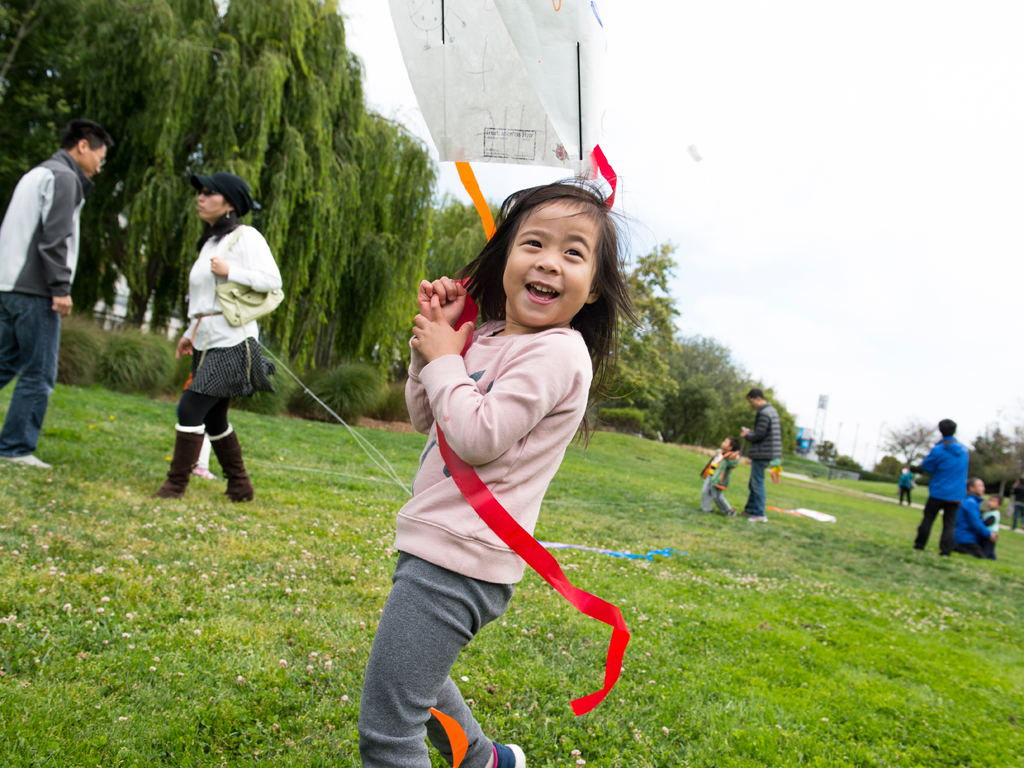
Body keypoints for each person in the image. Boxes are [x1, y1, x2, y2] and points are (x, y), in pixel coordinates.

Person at [358, 181, 634, 768]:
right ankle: (486, 760)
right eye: (533, 242)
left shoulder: (558, 353)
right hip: (439, 543)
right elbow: (424, 416)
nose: (549, 262)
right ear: (506, 257)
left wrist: (444, 359)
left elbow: (478, 437)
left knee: (389, 730)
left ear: (592, 290)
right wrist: (431, 347)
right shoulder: (485, 338)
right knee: (418, 682)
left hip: (462, 558)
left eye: (574, 252)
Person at [152, 172, 281, 501]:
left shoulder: (246, 236)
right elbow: (203, 300)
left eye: (208, 192)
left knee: (190, 408)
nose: (200, 197)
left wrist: (230, 272)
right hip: (204, 339)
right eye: (200, 192)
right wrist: (187, 333)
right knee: (214, 416)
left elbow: (272, 281)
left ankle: (175, 486)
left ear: (229, 204)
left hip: (233, 341)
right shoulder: (210, 241)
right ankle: (240, 486)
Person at [0, 119, 113, 469]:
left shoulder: (37, 173)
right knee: (40, 371)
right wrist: (60, 288)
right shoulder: (64, 178)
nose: (99, 165)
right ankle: (15, 447)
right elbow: (54, 239)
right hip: (35, 290)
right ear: (83, 145)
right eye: (100, 157)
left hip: (7, 284)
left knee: (4, 363)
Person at [913, 419, 969, 556]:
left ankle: (919, 545)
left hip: (938, 491)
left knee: (928, 519)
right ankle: (946, 551)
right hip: (956, 494)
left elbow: (927, 467)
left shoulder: (938, 449)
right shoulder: (964, 451)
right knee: (949, 524)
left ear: (940, 430)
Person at [739, 388, 782, 522]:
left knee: (757, 483)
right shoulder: (771, 411)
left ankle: (759, 514)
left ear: (758, 399)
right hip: (769, 452)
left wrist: (747, 435)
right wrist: (752, 432)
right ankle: (751, 509)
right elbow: (764, 432)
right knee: (754, 482)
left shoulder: (763, 413)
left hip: (763, 452)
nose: (751, 405)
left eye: (751, 402)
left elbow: (759, 435)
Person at [953, 478, 997, 559]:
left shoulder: (970, 500)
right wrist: (989, 534)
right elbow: (976, 524)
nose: (983, 488)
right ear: (971, 488)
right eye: (980, 486)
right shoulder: (970, 502)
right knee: (981, 556)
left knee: (992, 539)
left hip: (966, 536)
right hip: (964, 538)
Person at [700, 437, 741, 515]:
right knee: (705, 492)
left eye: (725, 442)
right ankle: (707, 509)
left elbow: (734, 464)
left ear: (730, 447)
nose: (722, 443)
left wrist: (733, 457)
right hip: (710, 476)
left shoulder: (730, 458)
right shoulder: (720, 453)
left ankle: (729, 510)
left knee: (717, 496)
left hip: (718, 479)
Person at [980, 494, 1001, 560]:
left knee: (987, 548)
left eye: (994, 501)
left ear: (999, 505)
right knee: (989, 549)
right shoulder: (990, 512)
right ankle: (992, 558)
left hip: (992, 535)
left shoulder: (994, 514)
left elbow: (986, 523)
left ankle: (986, 558)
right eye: (990, 500)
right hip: (988, 534)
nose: (991, 502)